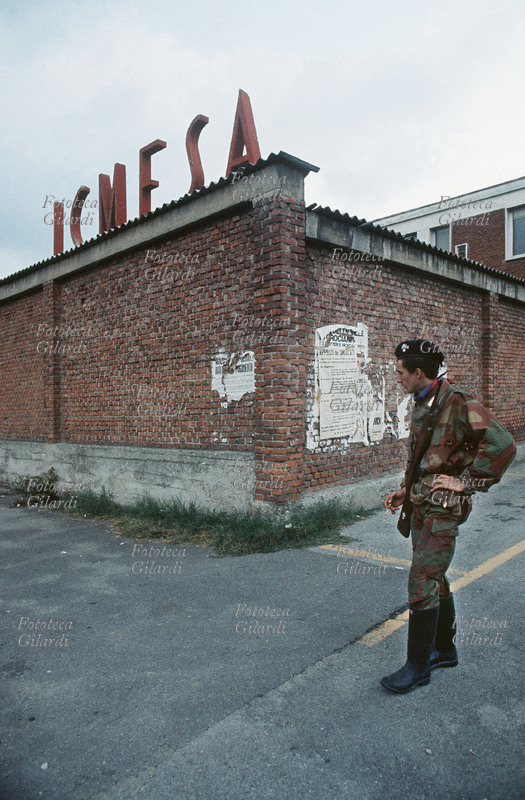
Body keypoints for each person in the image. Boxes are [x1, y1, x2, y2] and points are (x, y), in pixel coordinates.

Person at [381, 339, 516, 693]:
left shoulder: (457, 402)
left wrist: (466, 482)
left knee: (422, 578)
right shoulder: (425, 401)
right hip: (423, 501)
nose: (397, 378)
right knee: (435, 576)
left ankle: (418, 666)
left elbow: (503, 444)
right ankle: (444, 649)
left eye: (400, 372)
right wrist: (404, 490)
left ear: (418, 373)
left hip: (442, 507)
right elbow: (425, 456)